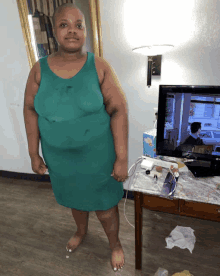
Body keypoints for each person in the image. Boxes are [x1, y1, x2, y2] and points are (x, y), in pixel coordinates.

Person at [23, 3, 128, 272]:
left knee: (105, 207)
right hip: (60, 160)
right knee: (75, 201)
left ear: (85, 31)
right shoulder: (39, 69)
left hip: (98, 158)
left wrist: (121, 158)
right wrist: (34, 153)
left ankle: (114, 243)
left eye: (79, 25)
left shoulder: (99, 66)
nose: (73, 31)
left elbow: (118, 109)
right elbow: (30, 109)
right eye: (64, 25)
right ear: (54, 30)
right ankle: (81, 231)